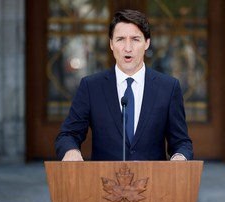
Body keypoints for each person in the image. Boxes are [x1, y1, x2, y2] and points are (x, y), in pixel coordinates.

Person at [55, 9, 193, 162]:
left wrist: (180, 157)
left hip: (153, 182)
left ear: (147, 43)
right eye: (120, 39)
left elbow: (181, 142)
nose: (128, 48)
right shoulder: (91, 87)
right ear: (111, 44)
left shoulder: (168, 87)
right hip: (104, 182)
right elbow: (68, 135)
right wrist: (71, 151)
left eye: (135, 39)